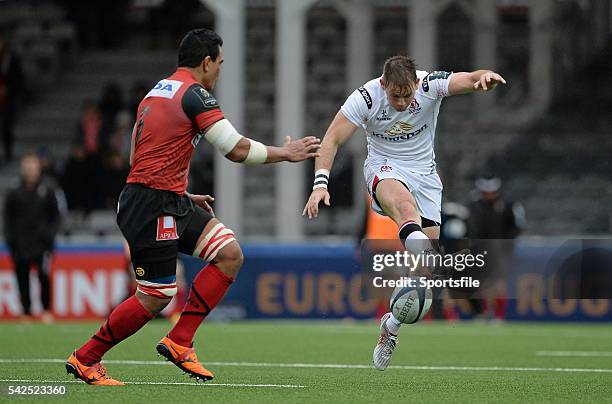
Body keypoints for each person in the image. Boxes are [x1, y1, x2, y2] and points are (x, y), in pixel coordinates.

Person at [65, 28, 320, 386]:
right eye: (219, 63)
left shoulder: (157, 91)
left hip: (164, 198)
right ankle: (86, 357)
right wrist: (286, 153)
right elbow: (237, 150)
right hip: (152, 204)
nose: (219, 71)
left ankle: (180, 340)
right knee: (156, 296)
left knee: (230, 254)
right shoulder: (195, 94)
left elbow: (139, 155)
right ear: (206, 62)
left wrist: (179, 192)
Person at [303, 56, 505, 370]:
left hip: (425, 177)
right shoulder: (367, 97)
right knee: (405, 209)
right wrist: (320, 184)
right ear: (384, 85)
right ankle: (425, 252)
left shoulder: (428, 85)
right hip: (384, 170)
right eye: (395, 95)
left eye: (406, 95)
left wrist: (483, 77)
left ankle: (391, 327)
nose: (401, 101)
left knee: (423, 280)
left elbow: (465, 79)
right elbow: (332, 138)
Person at [3, 153, 61, 322]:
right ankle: (26, 311)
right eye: (27, 168)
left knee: (44, 276)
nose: (30, 171)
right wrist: (10, 240)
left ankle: (45, 310)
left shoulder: (48, 190)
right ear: (23, 170)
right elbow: (8, 219)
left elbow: (56, 216)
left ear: (38, 169)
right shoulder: (14, 193)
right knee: (22, 277)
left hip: (42, 244)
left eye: (33, 167)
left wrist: (49, 236)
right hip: (20, 244)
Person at [0, 35, 24, 164]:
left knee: (6, 127)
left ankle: (8, 152)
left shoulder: (13, 59)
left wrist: (8, 90)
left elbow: (19, 79)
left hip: (8, 99)